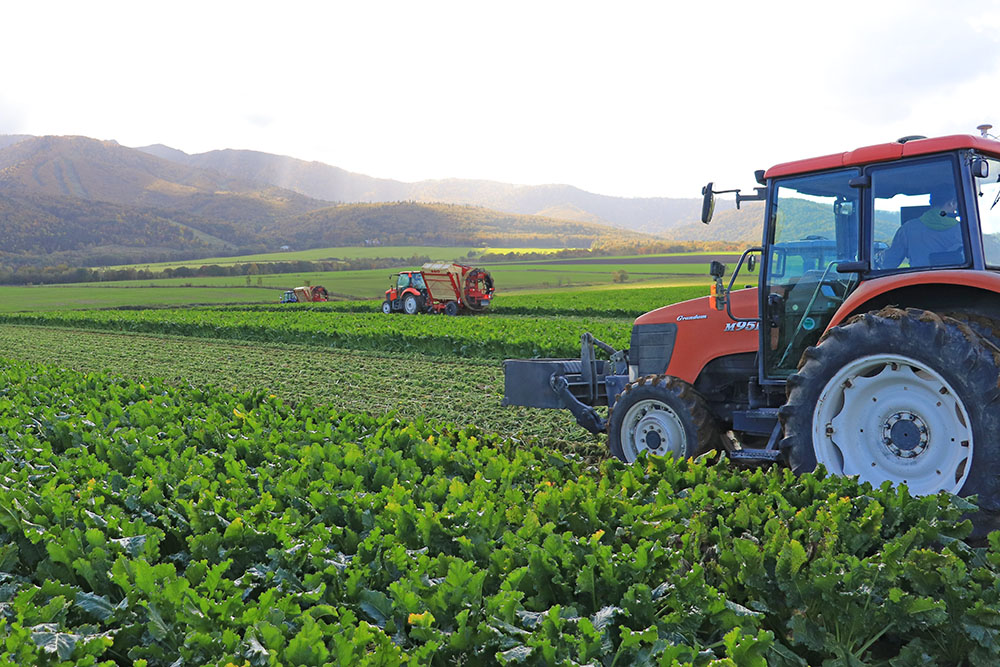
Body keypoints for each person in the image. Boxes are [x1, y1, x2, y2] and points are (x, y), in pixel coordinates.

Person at [880, 189, 965, 269]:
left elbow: (889, 262)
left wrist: (879, 257)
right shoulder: (963, 230)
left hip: (919, 281)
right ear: (951, 203)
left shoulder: (908, 228)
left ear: (931, 202)